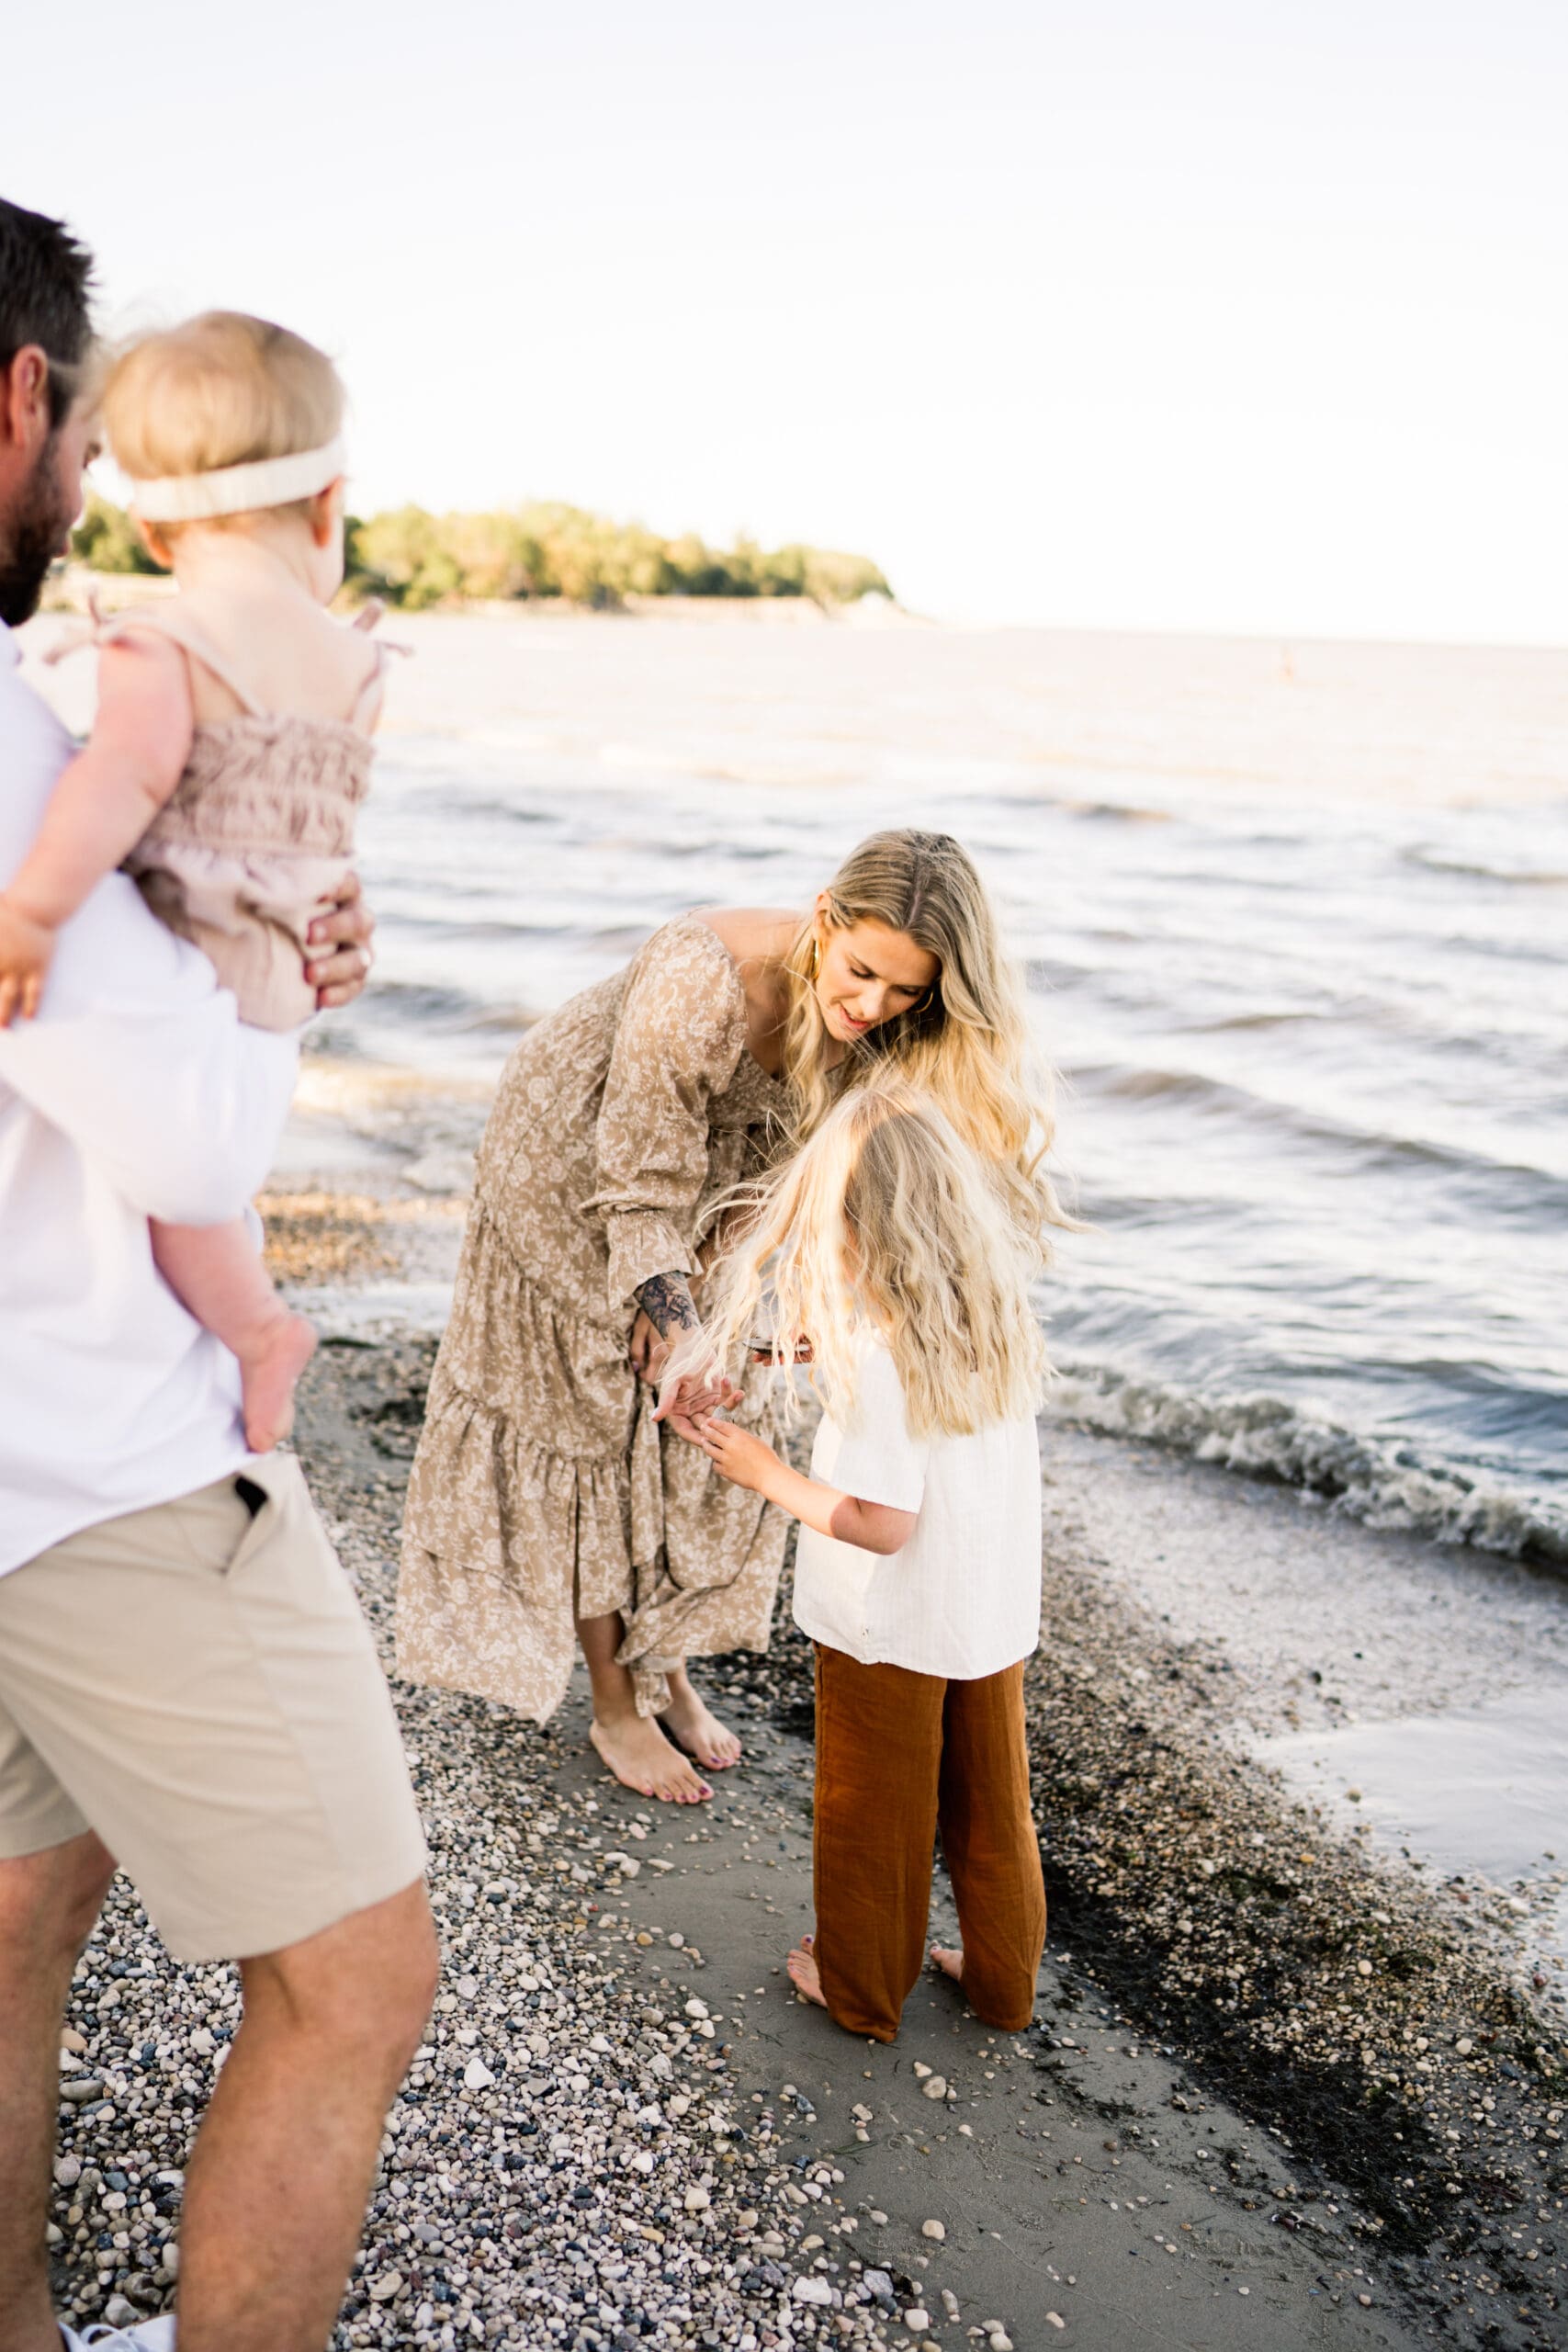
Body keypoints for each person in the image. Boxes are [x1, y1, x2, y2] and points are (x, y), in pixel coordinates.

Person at [0, 198, 436, 2352]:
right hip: (89, 1460)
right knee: (359, 1969)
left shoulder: (66, 694)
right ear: (22, 404)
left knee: (13, 1902)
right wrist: (270, 1016)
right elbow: (179, 1134)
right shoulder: (32, 738)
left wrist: (268, 953)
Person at [398, 828, 1069, 1804]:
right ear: (826, 920)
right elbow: (638, 1181)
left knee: (701, 1403)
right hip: (572, 1164)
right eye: (862, 972)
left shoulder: (880, 1024)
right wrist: (663, 1314)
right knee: (596, 1411)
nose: (871, 1006)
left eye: (905, 992)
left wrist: (703, 1299)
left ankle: (665, 1667)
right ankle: (613, 1705)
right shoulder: (706, 980)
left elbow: (787, 1159)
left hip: (708, 1174)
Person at [0, 308, 397, 1455]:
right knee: (213, 1172)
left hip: (196, 929)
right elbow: (316, 820)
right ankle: (252, 1333)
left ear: (155, 530)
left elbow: (123, 779)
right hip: (290, 953)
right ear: (328, 506)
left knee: (191, 1198)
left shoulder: (164, 646)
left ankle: (263, 1328)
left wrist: (30, 912)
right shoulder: (358, 660)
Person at [688, 1083, 1051, 2041]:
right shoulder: (991, 1314)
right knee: (991, 1803)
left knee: (872, 1813)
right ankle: (1004, 1984)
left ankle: (859, 1986)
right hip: (988, 1610)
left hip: (891, 1621)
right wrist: (807, 1350)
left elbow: (883, 1523)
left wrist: (766, 1473)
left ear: (861, 1226)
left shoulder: (890, 1354)